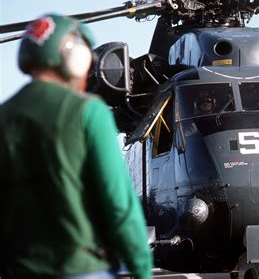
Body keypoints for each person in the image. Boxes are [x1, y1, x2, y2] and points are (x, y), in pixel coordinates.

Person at [0, 14, 152, 279]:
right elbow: (119, 204)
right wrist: (142, 270)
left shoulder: (4, 115)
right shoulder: (88, 111)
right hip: (81, 268)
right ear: (76, 58)